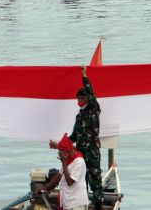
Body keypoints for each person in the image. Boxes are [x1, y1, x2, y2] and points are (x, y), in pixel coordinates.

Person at [49, 66, 102, 210]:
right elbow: (73, 136)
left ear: (88, 99)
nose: (80, 100)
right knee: (81, 181)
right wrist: (58, 145)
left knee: (95, 180)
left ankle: (98, 206)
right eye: (78, 98)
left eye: (82, 97)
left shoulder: (93, 109)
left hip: (92, 151)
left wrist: (84, 75)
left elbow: (91, 92)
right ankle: (83, 204)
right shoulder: (79, 116)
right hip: (80, 153)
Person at [41, 134, 89, 210]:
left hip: (76, 202)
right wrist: (45, 188)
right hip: (68, 200)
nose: (60, 155)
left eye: (61, 152)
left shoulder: (78, 162)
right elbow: (59, 176)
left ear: (68, 151)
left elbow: (70, 182)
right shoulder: (69, 158)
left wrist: (63, 163)